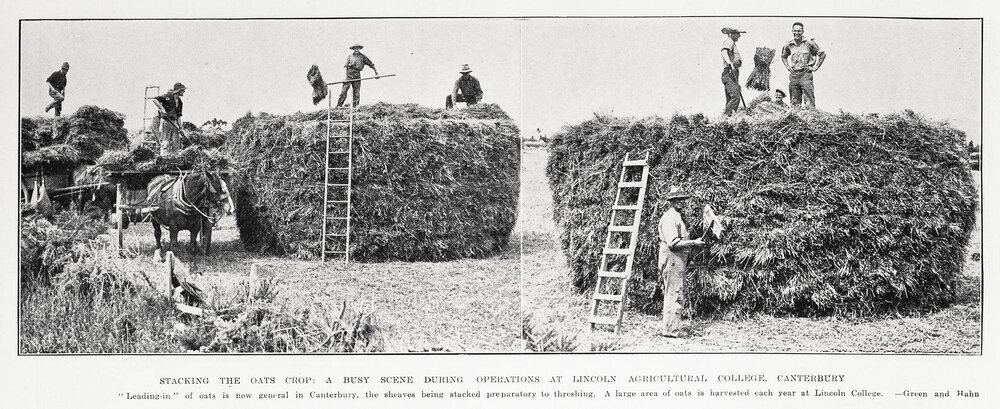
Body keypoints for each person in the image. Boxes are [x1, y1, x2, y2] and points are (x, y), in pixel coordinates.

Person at [657, 186, 705, 338]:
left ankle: (671, 328)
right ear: (671, 201)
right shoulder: (669, 218)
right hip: (672, 258)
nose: (681, 202)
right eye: (677, 199)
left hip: (678, 259)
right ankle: (670, 331)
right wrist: (694, 243)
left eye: (682, 199)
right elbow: (673, 243)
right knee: (674, 293)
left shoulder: (678, 217)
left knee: (675, 292)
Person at [781, 22, 827, 107]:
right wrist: (788, 67)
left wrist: (815, 67)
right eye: (795, 31)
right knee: (794, 104)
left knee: (809, 102)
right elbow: (783, 56)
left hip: (805, 75)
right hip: (794, 75)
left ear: (803, 32)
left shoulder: (809, 43)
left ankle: (810, 115)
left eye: (799, 31)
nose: (797, 33)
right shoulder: (789, 44)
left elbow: (822, 54)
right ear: (792, 31)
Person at [337, 43, 378, 108]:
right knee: (344, 91)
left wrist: (376, 72)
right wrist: (348, 67)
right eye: (355, 48)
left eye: (357, 48)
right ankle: (339, 105)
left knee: (356, 93)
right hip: (349, 74)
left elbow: (371, 64)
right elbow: (346, 66)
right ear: (353, 49)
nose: (356, 49)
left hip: (357, 75)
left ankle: (355, 107)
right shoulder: (350, 56)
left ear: (359, 49)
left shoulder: (363, 57)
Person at [152, 83, 187, 155]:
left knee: (176, 143)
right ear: (178, 90)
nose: (184, 91)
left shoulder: (180, 102)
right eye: (183, 90)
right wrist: (162, 109)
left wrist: (180, 128)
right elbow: (155, 100)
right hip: (166, 121)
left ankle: (175, 158)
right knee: (165, 142)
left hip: (174, 123)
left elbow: (178, 116)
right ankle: (164, 157)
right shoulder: (168, 96)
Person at [720, 27, 745, 116]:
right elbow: (724, 52)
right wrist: (730, 64)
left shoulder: (732, 43)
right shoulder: (729, 42)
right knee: (735, 97)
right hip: (729, 72)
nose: (739, 36)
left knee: (731, 98)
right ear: (731, 34)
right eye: (737, 34)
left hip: (732, 73)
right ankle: (727, 118)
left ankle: (728, 118)